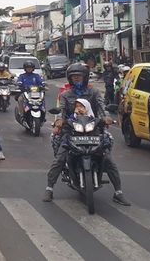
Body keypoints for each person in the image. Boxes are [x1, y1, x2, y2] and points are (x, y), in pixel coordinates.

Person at [43, 63, 130, 205]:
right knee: (60, 158)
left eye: (79, 76)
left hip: (93, 130)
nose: (77, 79)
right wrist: (59, 121)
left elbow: (102, 107)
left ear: (85, 78)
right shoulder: (65, 95)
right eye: (74, 77)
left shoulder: (94, 92)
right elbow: (61, 110)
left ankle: (118, 193)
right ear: (70, 79)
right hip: (71, 131)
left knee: (108, 159)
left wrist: (106, 117)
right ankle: (49, 189)